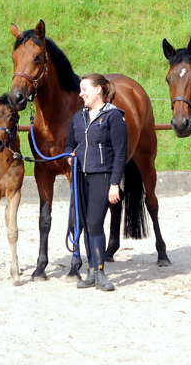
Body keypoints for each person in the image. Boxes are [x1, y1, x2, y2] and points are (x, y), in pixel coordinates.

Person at [64, 73, 128, 292]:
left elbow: (120, 152)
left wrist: (114, 183)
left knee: (94, 224)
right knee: (83, 222)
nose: (81, 94)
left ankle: (99, 271)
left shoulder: (113, 117)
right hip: (80, 176)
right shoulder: (78, 117)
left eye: (85, 89)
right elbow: (69, 144)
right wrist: (68, 155)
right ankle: (91, 273)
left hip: (102, 175)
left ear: (98, 90)